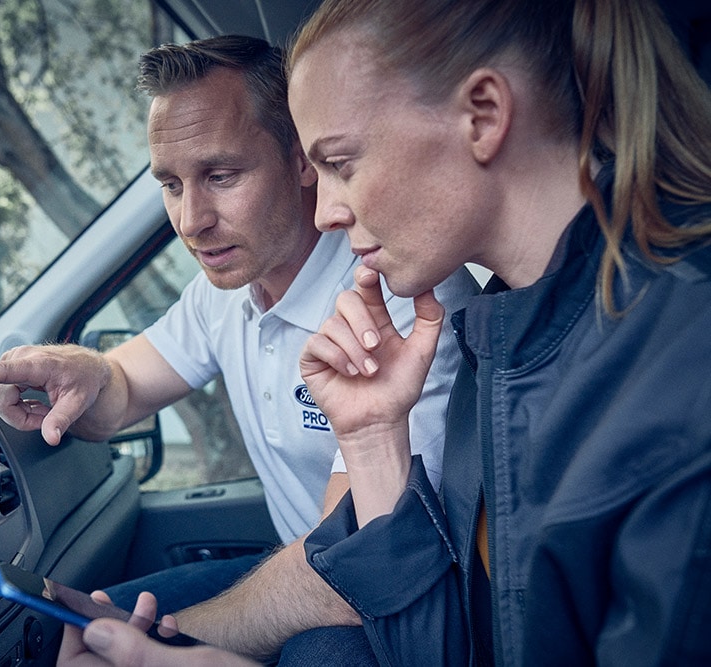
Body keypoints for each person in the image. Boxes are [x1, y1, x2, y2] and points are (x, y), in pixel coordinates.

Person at [58, 0, 711, 664]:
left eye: (340, 163)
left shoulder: (683, 370)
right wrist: (373, 441)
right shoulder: (503, 337)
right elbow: (449, 648)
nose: (328, 210)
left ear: (482, 115)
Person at [0, 33, 476, 649]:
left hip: (400, 611)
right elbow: (123, 386)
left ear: (302, 158)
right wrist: (77, 370)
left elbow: (353, 566)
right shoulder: (225, 290)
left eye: (220, 175)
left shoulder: (402, 303)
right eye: (170, 185)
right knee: (56, 629)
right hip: (306, 567)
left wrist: (159, 644)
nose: (192, 221)